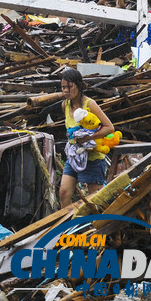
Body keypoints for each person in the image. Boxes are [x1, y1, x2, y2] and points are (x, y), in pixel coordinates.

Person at [59, 68, 115, 208]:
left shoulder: (89, 104)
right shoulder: (65, 105)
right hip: (74, 156)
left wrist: (88, 137)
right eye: (63, 87)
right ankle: (69, 226)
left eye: (69, 87)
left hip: (93, 158)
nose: (65, 90)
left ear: (78, 85)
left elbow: (109, 127)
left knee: (95, 199)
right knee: (64, 192)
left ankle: (97, 226)